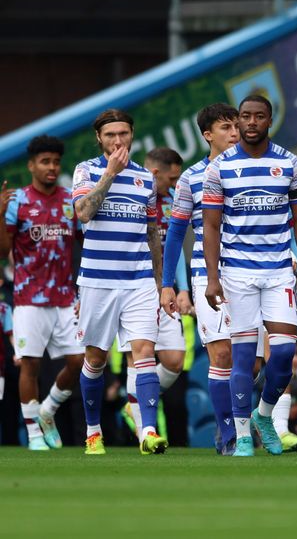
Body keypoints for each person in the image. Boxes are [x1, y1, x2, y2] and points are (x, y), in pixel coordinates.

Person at [202, 94, 297, 457]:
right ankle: (243, 436)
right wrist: (212, 277)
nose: (250, 123)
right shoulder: (219, 168)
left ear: (270, 120)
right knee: (244, 356)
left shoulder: (290, 163)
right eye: (244, 117)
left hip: (279, 270)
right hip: (237, 273)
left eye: (258, 117)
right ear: (238, 123)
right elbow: (210, 225)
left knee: (283, 354)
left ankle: (263, 415)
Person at [72, 109, 166, 455]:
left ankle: (149, 431)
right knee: (96, 358)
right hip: (98, 280)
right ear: (99, 138)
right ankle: (93, 432)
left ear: (132, 135)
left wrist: (160, 282)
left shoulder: (146, 178)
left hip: (139, 279)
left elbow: (153, 232)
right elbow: (83, 213)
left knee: (144, 353)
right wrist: (110, 174)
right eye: (110, 135)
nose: (117, 141)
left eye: (123, 134)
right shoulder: (86, 170)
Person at [160, 103, 241, 454]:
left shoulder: (253, 169)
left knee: (252, 360)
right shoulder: (191, 178)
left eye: (236, 126)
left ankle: (252, 419)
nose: (235, 132)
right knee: (221, 355)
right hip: (206, 274)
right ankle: (229, 433)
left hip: (251, 270)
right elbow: (175, 234)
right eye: (226, 127)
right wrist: (168, 284)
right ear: (208, 134)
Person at [0, 135, 83, 451]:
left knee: (79, 361)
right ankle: (34, 433)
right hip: (28, 300)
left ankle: (47, 410)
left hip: (65, 299)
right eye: (45, 162)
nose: (52, 167)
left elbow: (83, 241)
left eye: (56, 162)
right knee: (30, 366)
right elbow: (2, 250)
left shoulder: (69, 200)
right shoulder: (17, 201)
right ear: (31, 165)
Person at [119, 147, 188, 439]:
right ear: (155, 173)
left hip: (164, 290)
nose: (176, 185)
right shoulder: (130, 197)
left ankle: (135, 400)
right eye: (172, 179)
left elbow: (175, 248)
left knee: (175, 359)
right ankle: (145, 433)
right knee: (139, 357)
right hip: (133, 288)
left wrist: (182, 288)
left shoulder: (173, 203)